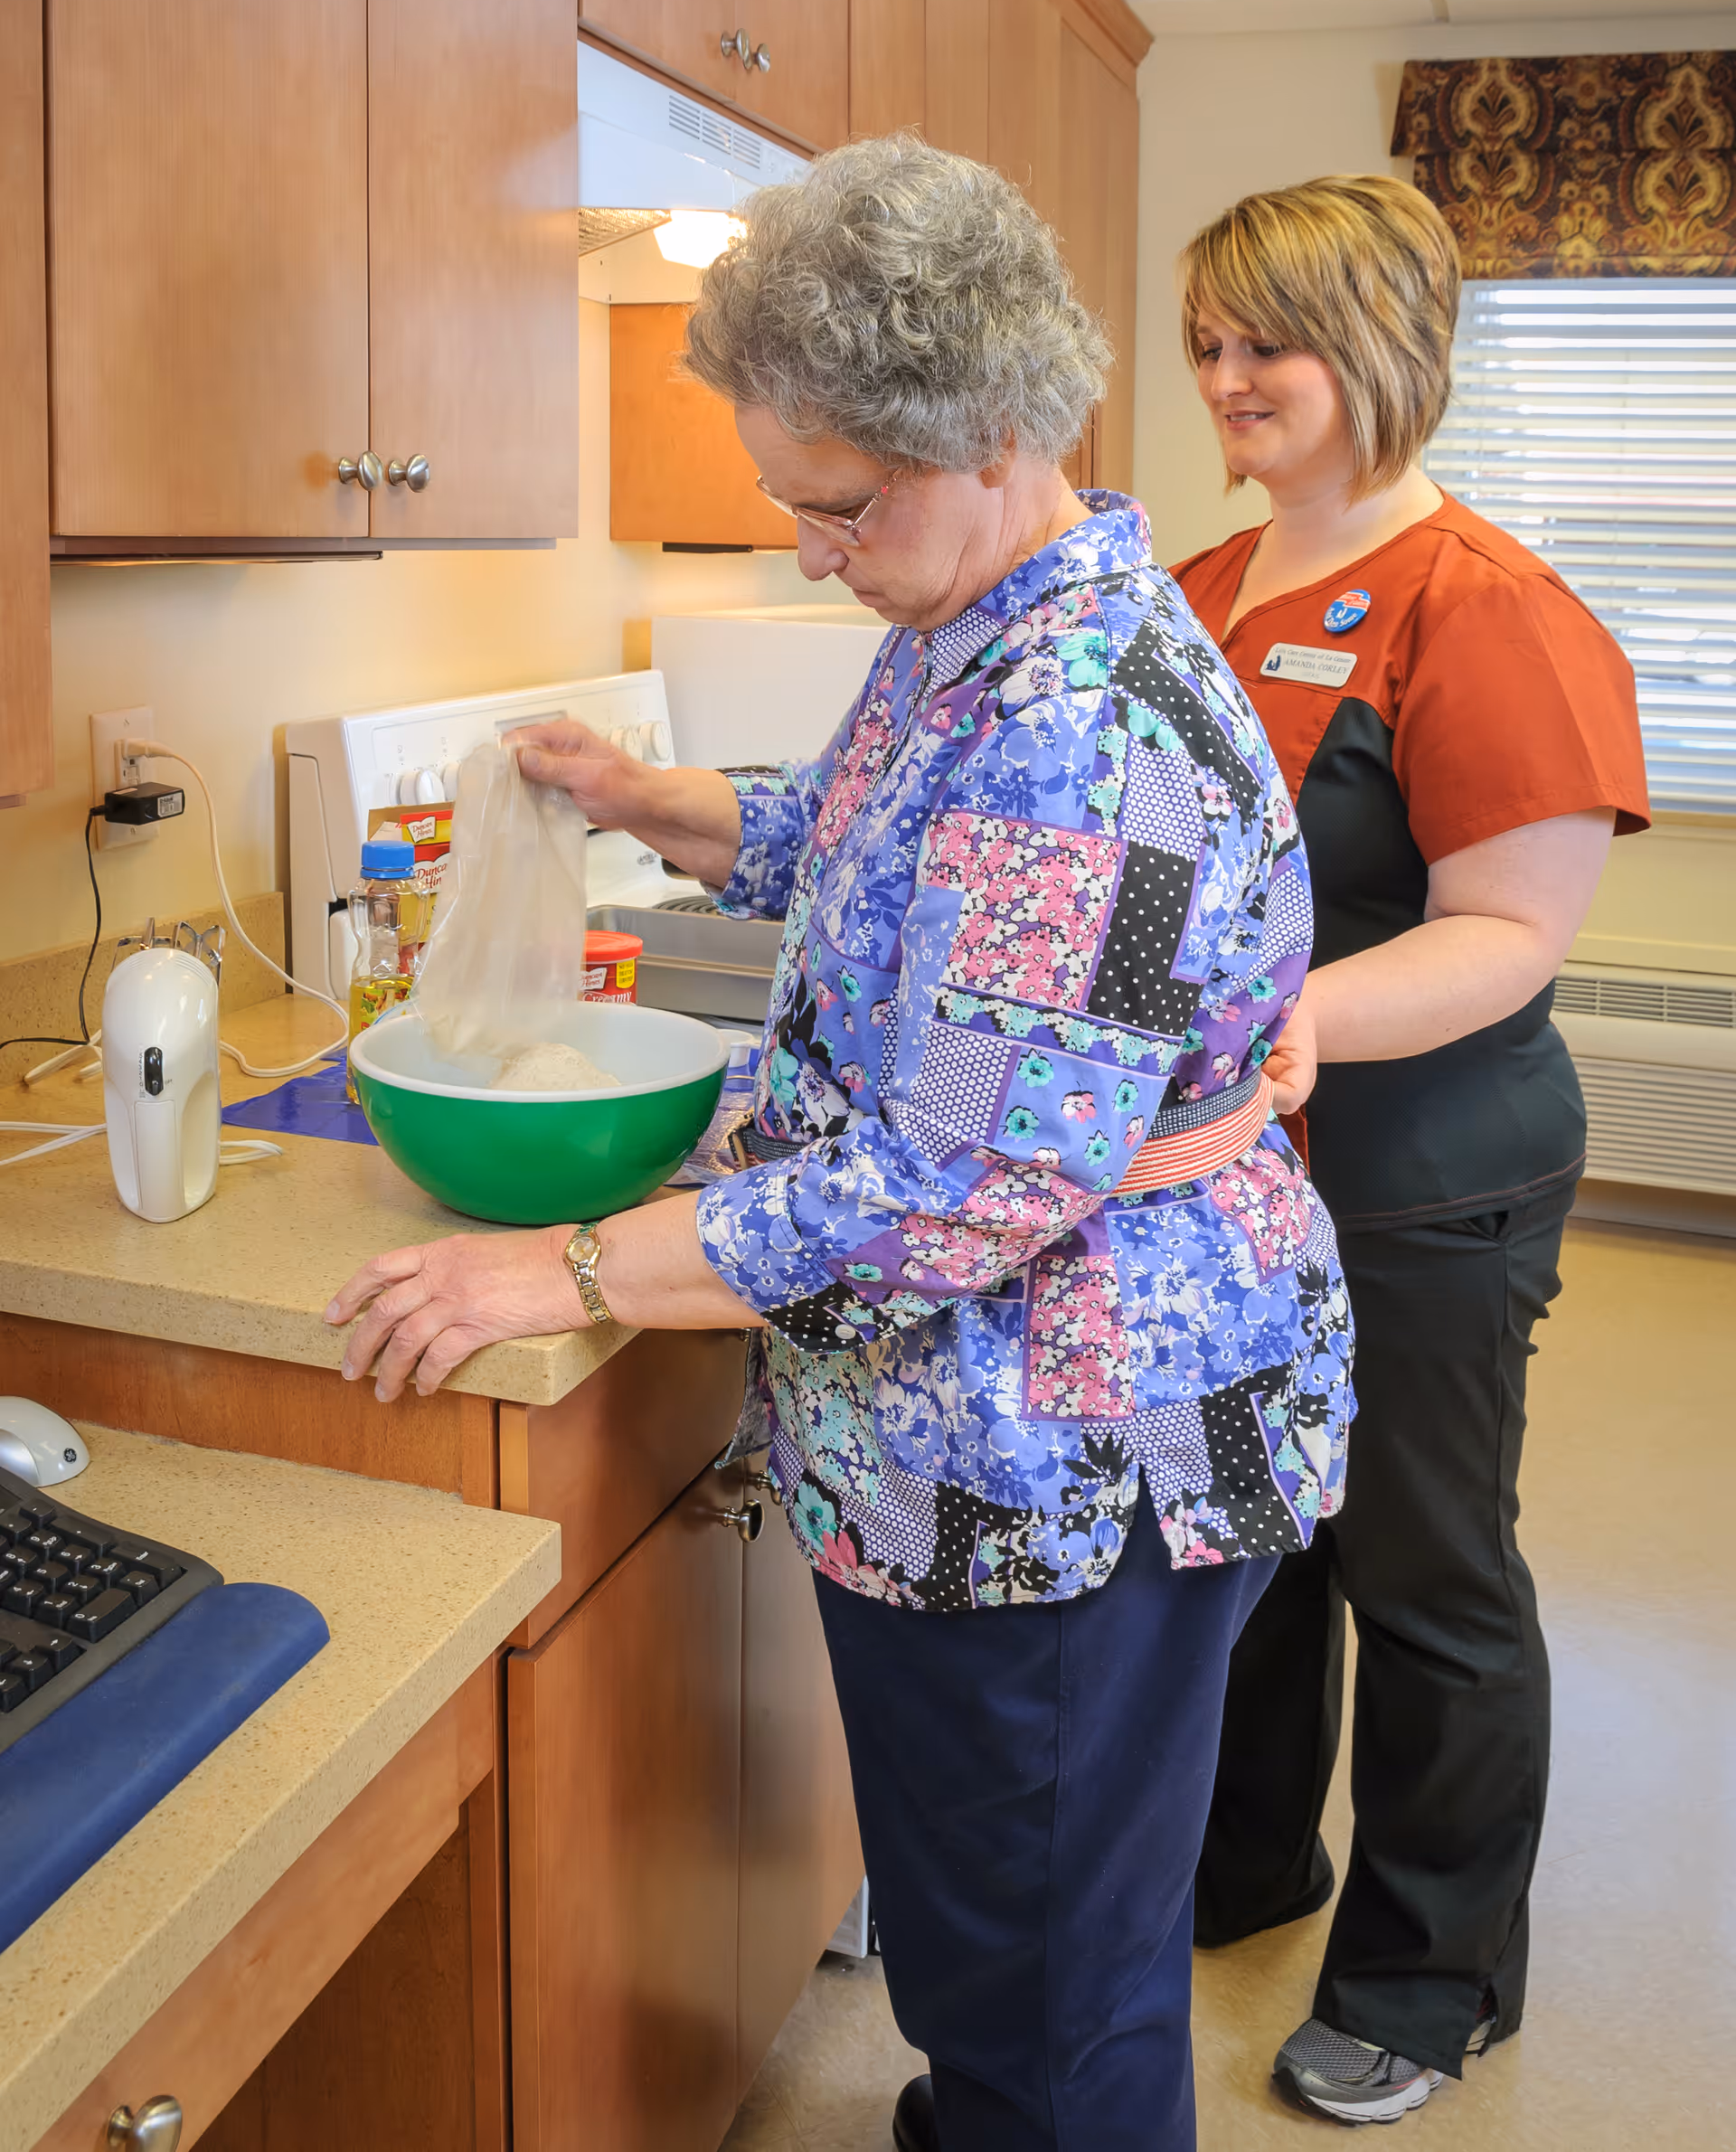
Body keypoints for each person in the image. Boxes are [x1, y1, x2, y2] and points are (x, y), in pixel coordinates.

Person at [326, 137, 1354, 2152]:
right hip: (1019, 1427)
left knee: (1052, 1995)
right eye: (791, 500)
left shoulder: (1077, 724)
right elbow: (850, 839)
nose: (812, 545)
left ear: (987, 427)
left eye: (837, 503)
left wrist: (572, 1266)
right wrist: (645, 790)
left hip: (1067, 1456)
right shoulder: (975, 620)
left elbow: (957, 1182)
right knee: (1009, 1946)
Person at [1169, 175, 1650, 2126]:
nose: (1225, 378)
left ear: (1377, 343)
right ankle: (1245, 1858)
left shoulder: (1491, 608)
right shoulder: (1205, 587)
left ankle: (1431, 1975)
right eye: (1205, 342)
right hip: (1234, 1176)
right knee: (1258, 1542)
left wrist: (1295, 1026)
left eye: (1261, 340)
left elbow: (1507, 934)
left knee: (1424, 1570)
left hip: (1422, 1172)